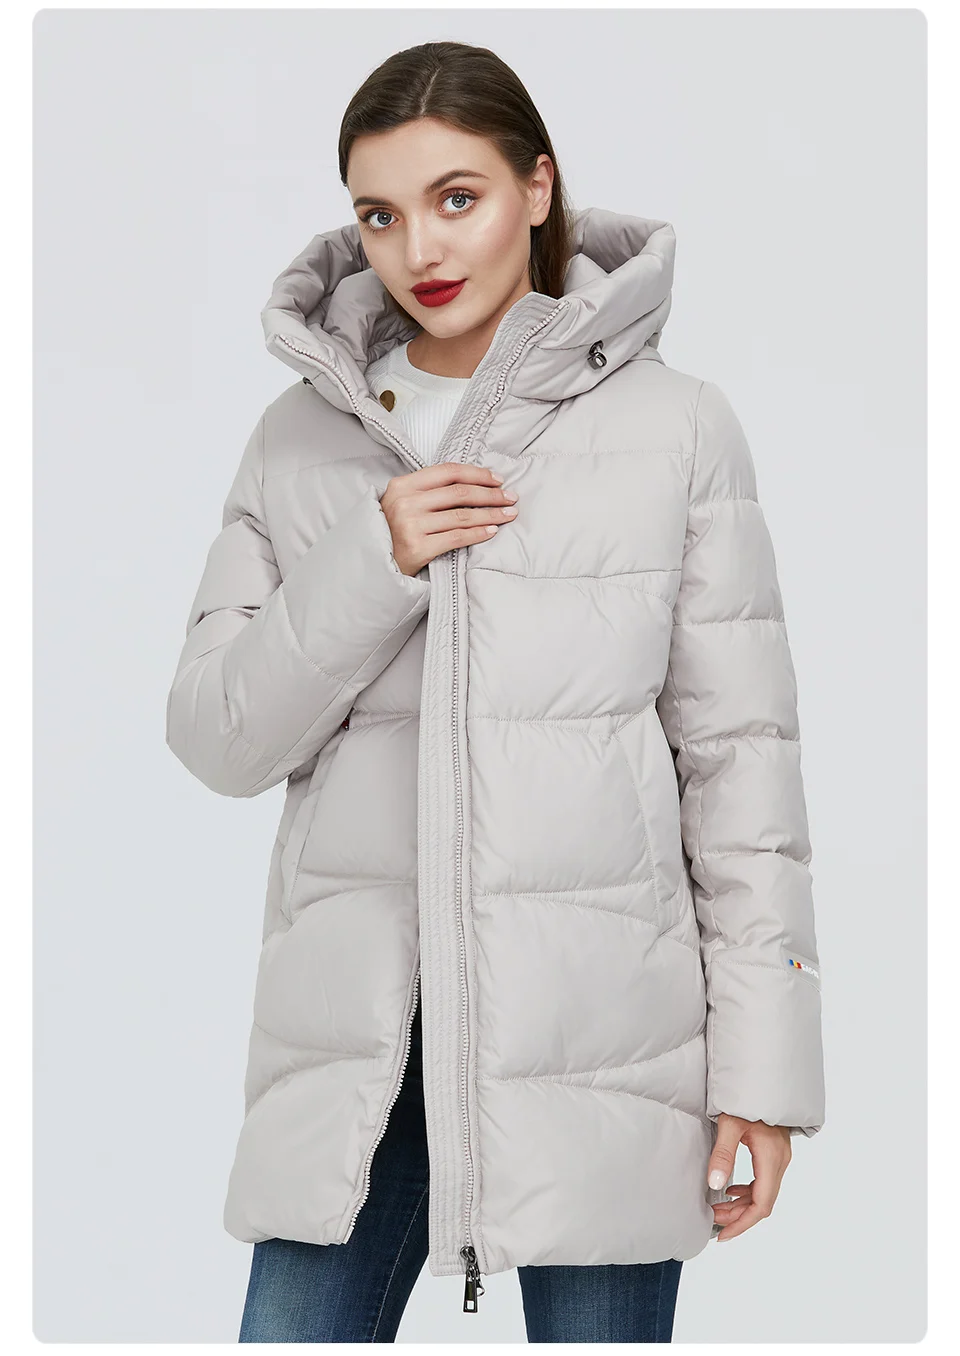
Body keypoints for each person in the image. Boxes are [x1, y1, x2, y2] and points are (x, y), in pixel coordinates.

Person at [165, 40, 825, 1345]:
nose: (418, 248)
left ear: (537, 187)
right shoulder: (299, 439)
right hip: (358, 1054)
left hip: (603, 1050)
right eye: (379, 214)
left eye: (456, 197)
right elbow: (215, 738)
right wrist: (376, 559)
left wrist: (764, 1073)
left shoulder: (676, 428)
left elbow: (741, 772)